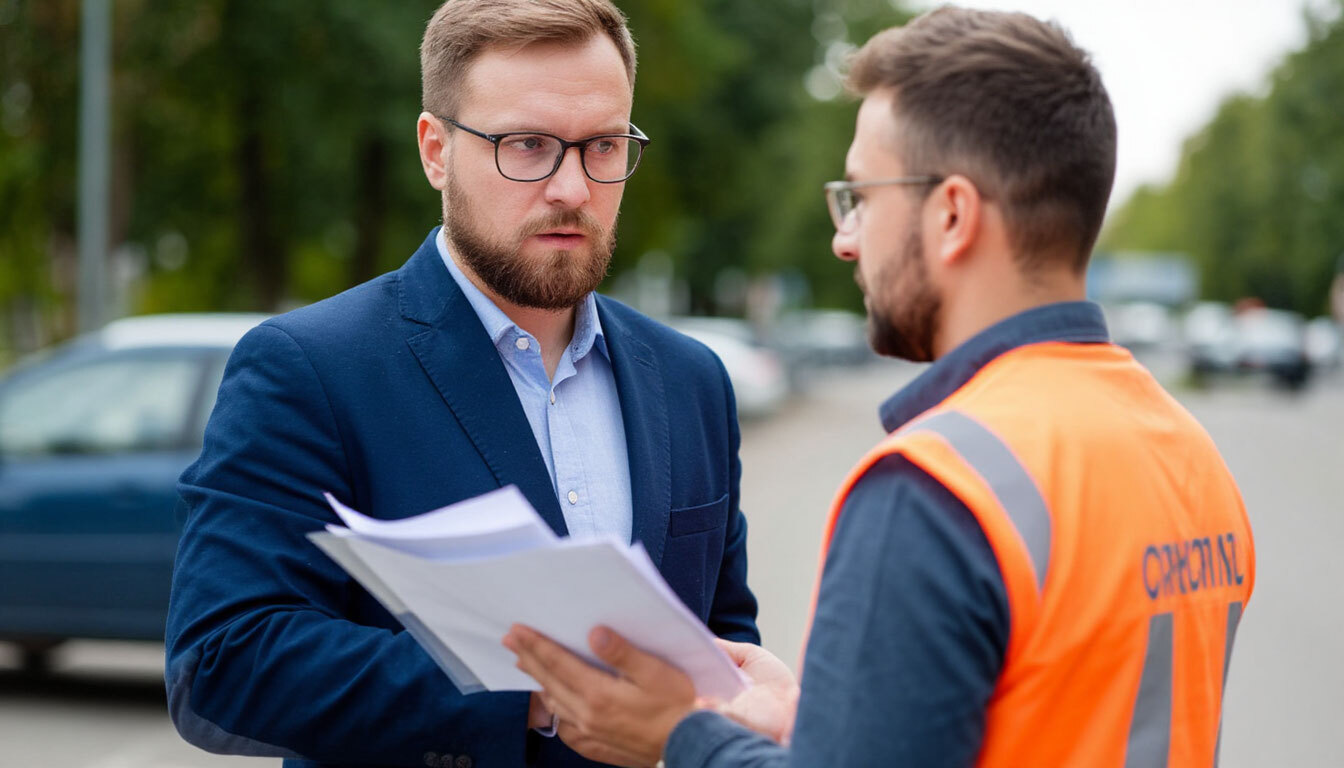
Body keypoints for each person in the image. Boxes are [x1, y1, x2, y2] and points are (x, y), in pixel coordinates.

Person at [504, 7, 1256, 768]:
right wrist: (827, 726)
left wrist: (681, 735)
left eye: (861, 197)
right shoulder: (1191, 457)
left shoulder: (936, 490)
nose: (845, 239)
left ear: (952, 214)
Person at [164, 2, 760, 766]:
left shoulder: (691, 380)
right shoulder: (309, 368)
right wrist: (536, 692)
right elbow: (221, 660)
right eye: (528, 145)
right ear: (435, 151)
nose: (573, 188)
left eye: (603, 146)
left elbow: (723, 640)